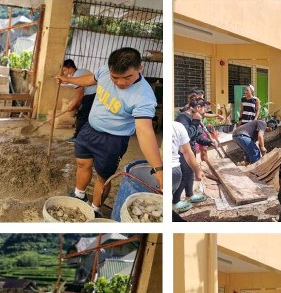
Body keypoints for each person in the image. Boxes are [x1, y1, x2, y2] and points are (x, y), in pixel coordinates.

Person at [55, 47, 163, 217]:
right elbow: (90, 79)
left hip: (113, 140)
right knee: (83, 164)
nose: (120, 83)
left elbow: (144, 131)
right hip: (89, 129)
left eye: (127, 77)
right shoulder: (105, 70)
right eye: (115, 77)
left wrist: (159, 169)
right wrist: (68, 79)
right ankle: (79, 195)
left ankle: (94, 210)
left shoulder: (144, 97)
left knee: (103, 178)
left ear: (140, 69)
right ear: (109, 69)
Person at [60, 59, 97, 143]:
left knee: (81, 115)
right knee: (88, 116)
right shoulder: (81, 71)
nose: (64, 73)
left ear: (70, 68)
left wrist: (73, 105)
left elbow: (80, 95)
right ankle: (86, 137)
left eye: (65, 70)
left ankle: (78, 138)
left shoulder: (76, 76)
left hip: (92, 95)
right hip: (98, 94)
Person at [171, 120, 204, 215]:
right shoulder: (183, 120)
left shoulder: (181, 123)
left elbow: (198, 136)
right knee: (185, 176)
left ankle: (189, 195)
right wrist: (194, 124)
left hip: (188, 151)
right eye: (204, 108)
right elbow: (189, 135)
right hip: (180, 155)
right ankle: (176, 201)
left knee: (189, 174)